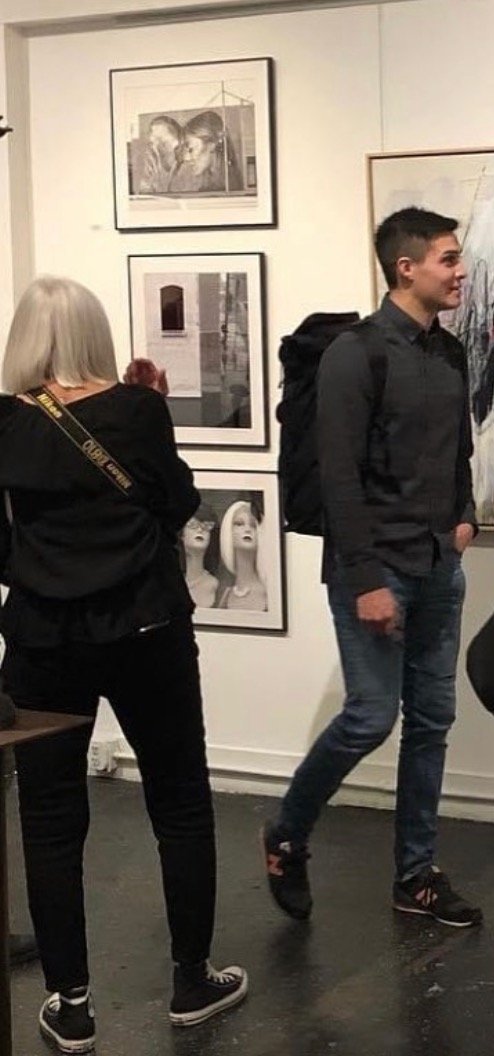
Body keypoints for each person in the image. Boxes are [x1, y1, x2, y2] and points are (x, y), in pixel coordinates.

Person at [0, 277, 247, 1054]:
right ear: (95, 334)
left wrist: (43, 570)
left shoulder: (3, 422)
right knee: (178, 802)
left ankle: (71, 1006)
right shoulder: (139, 410)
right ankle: (190, 980)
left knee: (48, 821)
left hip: (43, 637)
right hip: (146, 627)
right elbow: (177, 503)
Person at [262, 207, 480, 927]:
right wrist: (363, 580)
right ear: (406, 267)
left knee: (433, 721)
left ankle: (414, 875)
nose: (460, 271)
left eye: (459, 257)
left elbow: (457, 450)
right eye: (448, 259)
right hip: (376, 566)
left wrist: (465, 513)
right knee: (369, 717)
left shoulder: (449, 353)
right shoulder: (356, 354)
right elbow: (339, 479)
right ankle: (287, 831)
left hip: (438, 563)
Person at [215, 500, 267, 611]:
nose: (247, 529)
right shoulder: (225, 596)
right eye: (239, 524)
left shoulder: (268, 595)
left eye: (253, 525)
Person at [181, 506, 220, 609]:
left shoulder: (217, 586)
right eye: (193, 525)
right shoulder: (169, 582)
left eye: (206, 526)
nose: (200, 530)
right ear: (182, 534)